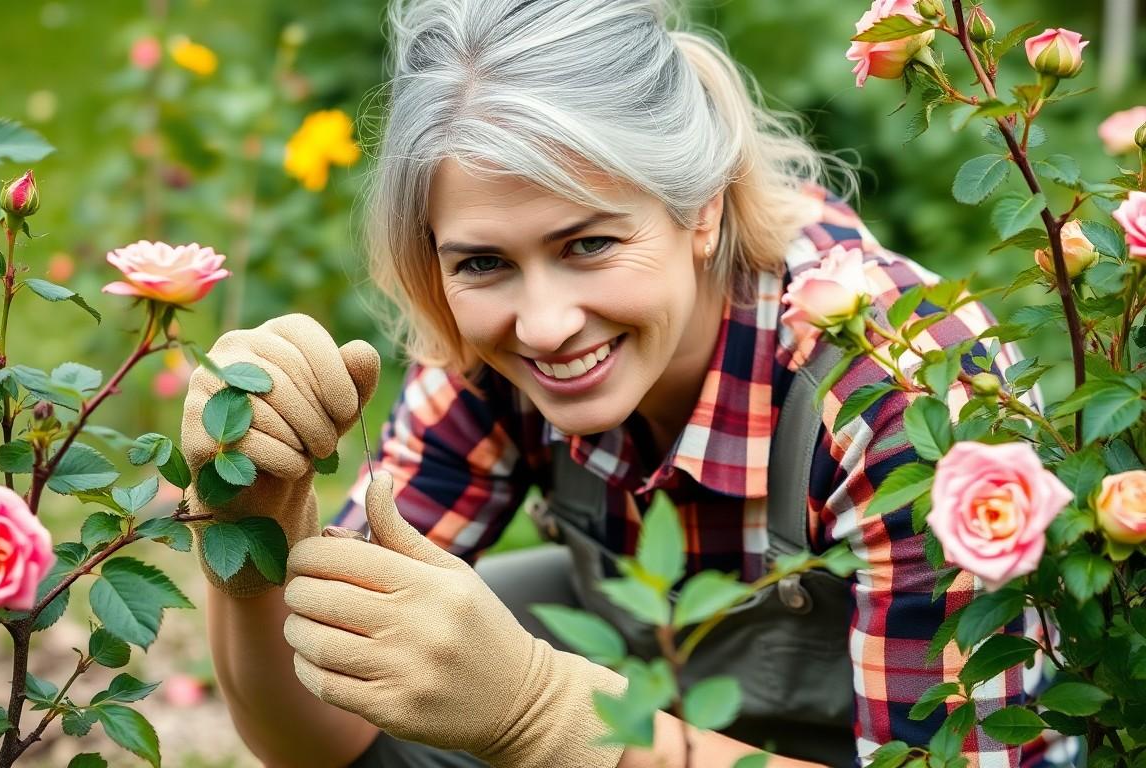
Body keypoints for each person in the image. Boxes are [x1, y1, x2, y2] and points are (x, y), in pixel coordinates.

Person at [181, 1, 1074, 766]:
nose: (543, 325)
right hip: (678, 705)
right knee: (414, 643)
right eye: (485, 261)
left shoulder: (898, 398)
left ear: (702, 206)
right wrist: (255, 528)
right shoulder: (489, 359)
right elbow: (319, 743)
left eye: (589, 245)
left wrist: (541, 712)